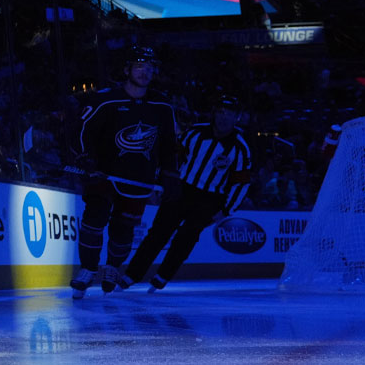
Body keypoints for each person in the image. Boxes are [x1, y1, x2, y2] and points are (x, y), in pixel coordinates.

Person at [69, 45, 178, 299]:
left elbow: (170, 144)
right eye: (139, 66)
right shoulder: (105, 99)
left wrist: (170, 174)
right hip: (103, 175)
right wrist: (86, 160)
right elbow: (81, 131)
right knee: (93, 220)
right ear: (127, 69)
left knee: (123, 229)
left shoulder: (162, 106)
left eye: (150, 67)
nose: (145, 72)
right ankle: (87, 269)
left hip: (139, 178)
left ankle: (112, 268)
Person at [120, 94, 253, 292]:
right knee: (158, 233)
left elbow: (241, 185)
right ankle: (131, 275)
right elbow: (171, 159)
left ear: (237, 118)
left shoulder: (241, 148)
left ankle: (162, 277)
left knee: (186, 237)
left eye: (230, 113)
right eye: (221, 112)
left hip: (209, 199)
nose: (224, 117)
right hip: (181, 189)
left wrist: (226, 210)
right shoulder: (195, 133)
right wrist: (161, 184)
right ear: (215, 114)